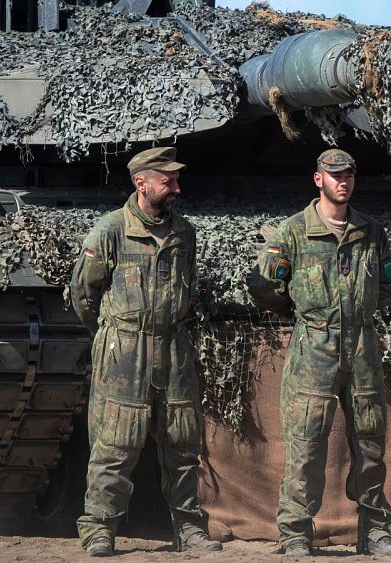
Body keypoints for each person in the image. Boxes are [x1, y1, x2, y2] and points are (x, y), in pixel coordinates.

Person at [247, 148, 391, 557]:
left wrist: (355, 314)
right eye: (334, 175)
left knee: (370, 443)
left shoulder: (371, 232)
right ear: (318, 179)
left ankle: (375, 532)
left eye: (349, 175)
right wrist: (309, 318)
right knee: (306, 443)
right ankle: (296, 533)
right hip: (314, 348)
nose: (342, 181)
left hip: (362, 348)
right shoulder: (294, 233)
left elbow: (389, 286)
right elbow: (265, 289)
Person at [69, 146, 221, 557]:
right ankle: (99, 528)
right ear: (142, 183)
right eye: (167, 181)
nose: (176, 187)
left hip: (173, 348)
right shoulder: (111, 230)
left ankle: (189, 530)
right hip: (125, 351)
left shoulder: (184, 233)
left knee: (182, 444)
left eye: (176, 180)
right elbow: (83, 294)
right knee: (115, 443)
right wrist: (113, 336)